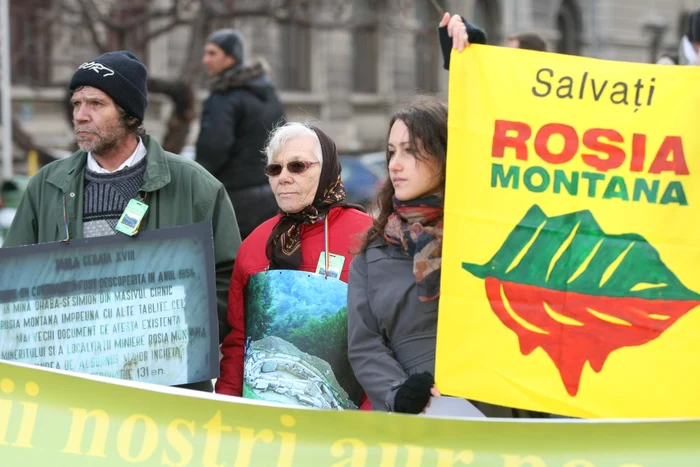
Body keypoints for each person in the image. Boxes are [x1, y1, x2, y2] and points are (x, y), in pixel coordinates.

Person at [2, 51, 240, 392]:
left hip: (168, 390)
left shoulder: (194, 185)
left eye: (96, 104)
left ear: (129, 114)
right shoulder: (46, 186)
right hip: (72, 387)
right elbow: (14, 286)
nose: (81, 116)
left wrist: (171, 331)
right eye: (76, 104)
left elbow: (228, 282)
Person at [347, 99, 552, 417]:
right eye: (391, 151)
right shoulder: (373, 253)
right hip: (416, 425)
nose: (394, 164)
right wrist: (397, 391)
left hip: (499, 418)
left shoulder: (491, 235)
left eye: (410, 151)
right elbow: (364, 344)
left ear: (445, 155)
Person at [216, 122, 373, 401]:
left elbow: (385, 340)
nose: (283, 177)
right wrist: (227, 408)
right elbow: (238, 342)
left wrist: (370, 421)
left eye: (297, 166)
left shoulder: (369, 238)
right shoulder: (254, 244)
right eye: (274, 169)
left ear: (326, 170)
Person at [196, 29, 285, 240]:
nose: (205, 60)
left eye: (212, 53)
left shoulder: (223, 97)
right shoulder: (267, 92)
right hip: (271, 194)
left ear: (230, 57)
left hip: (235, 198)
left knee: (232, 265)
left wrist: (196, 181)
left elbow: (214, 148)